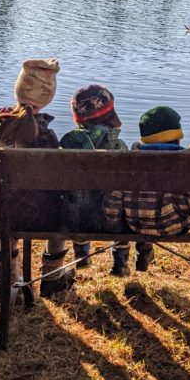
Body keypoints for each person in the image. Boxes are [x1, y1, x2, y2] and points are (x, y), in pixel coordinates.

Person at [0, 58, 74, 298]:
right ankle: (52, 277)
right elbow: (57, 182)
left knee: (9, 205)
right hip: (42, 217)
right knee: (61, 205)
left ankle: (8, 279)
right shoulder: (45, 135)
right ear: (48, 97)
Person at [103, 106, 190, 272]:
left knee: (146, 205)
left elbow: (112, 210)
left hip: (137, 224)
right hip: (176, 225)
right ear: (178, 138)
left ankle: (143, 252)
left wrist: (118, 220)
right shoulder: (188, 163)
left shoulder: (128, 162)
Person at [59, 83, 129, 275]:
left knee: (78, 201)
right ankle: (120, 264)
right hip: (112, 221)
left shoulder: (67, 146)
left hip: (75, 221)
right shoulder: (118, 146)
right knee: (120, 205)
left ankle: (81, 256)